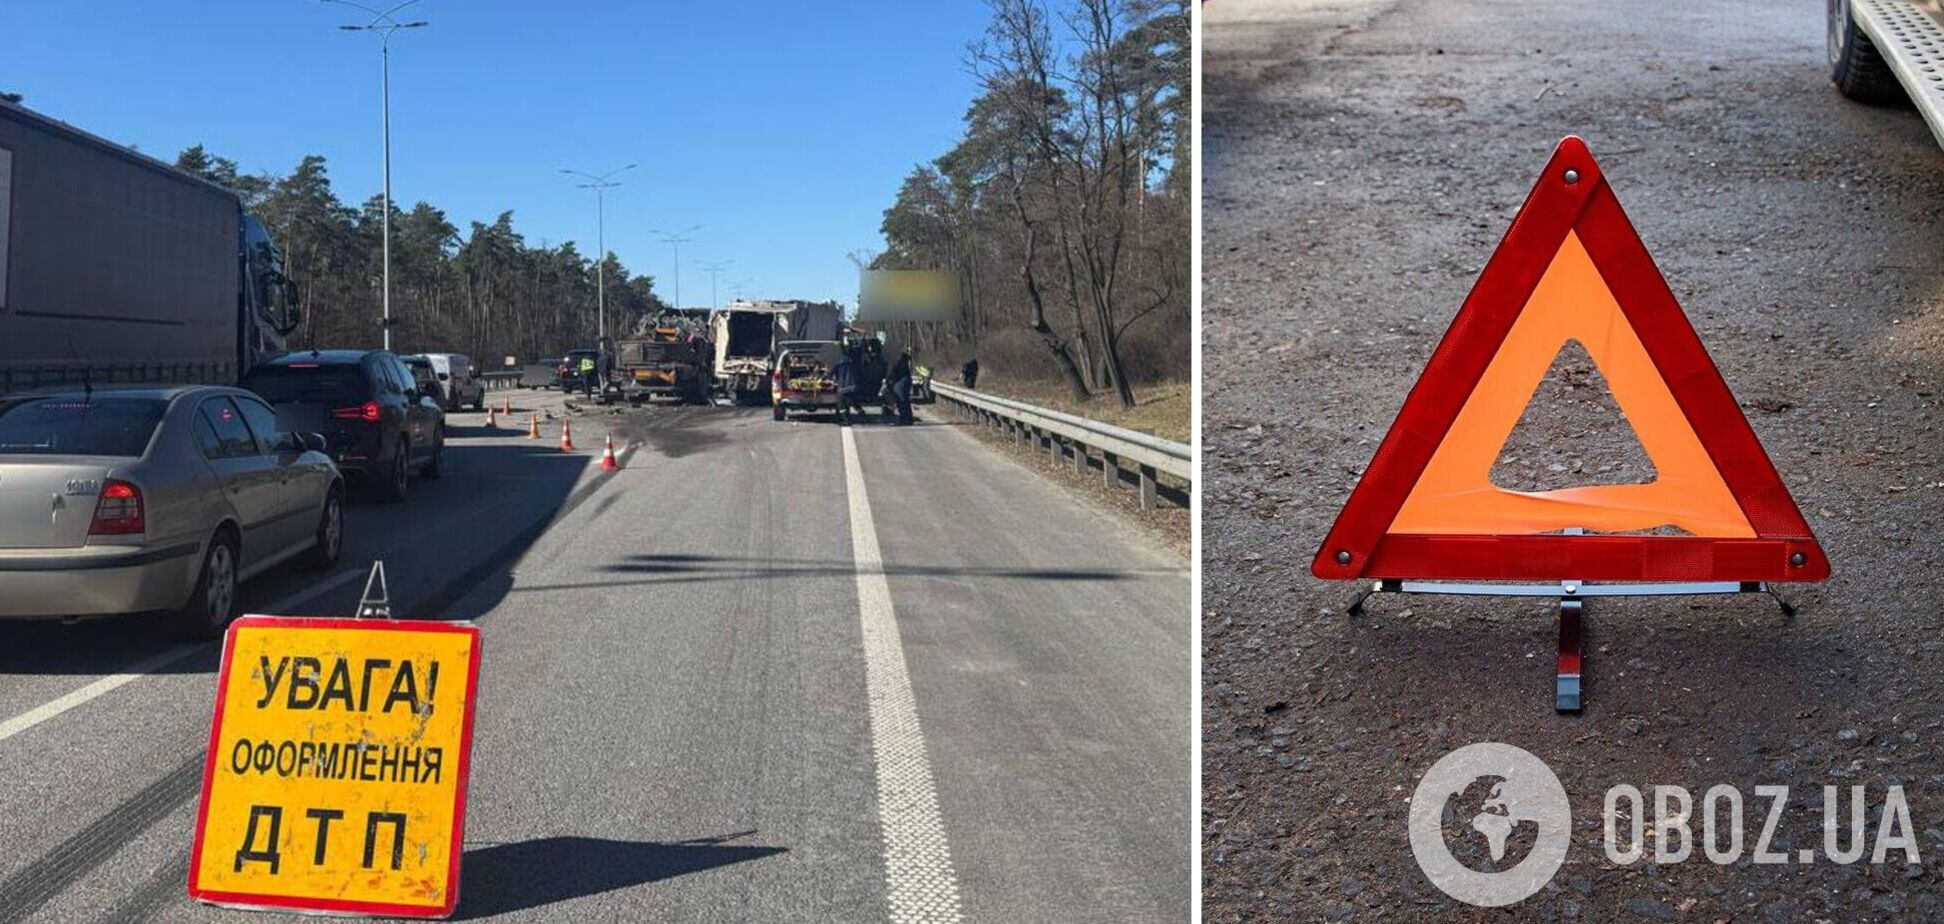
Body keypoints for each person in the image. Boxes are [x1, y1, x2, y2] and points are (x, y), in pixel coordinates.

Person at [887, 348, 915, 426]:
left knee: (901, 401)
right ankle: (908, 419)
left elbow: (892, 369)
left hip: (900, 381)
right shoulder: (902, 357)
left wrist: (888, 379)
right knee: (905, 401)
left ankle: (904, 419)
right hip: (905, 379)